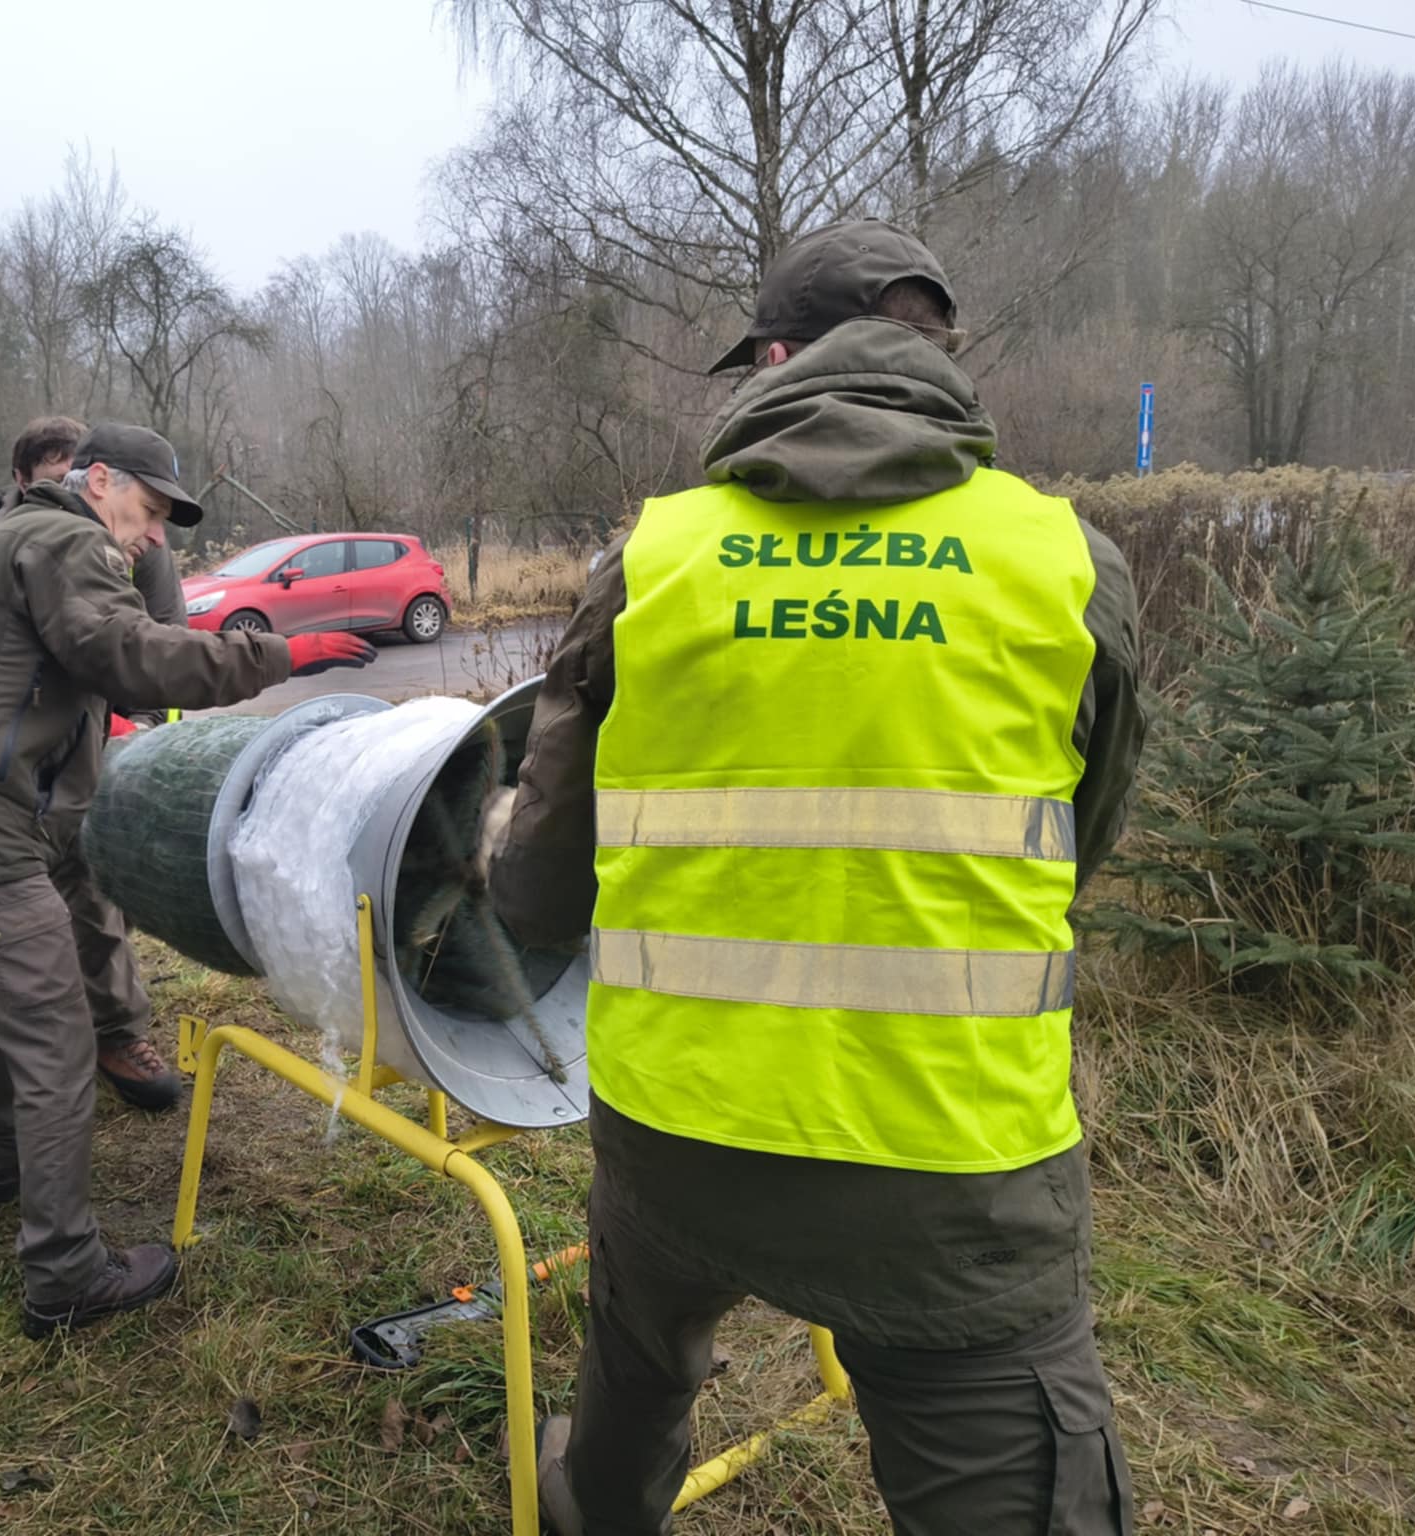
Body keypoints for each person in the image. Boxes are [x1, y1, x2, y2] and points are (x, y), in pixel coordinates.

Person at [485, 220, 1146, 1535]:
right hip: (954, 1177)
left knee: (633, 1370)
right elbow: (1076, 851)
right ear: (931, 353)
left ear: (777, 358)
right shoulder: (1064, 564)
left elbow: (540, 899)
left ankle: (595, 1505)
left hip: (677, 1145)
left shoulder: (653, 563)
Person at [0, 421, 377, 1337]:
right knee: (58, 1040)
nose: (149, 539)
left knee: (0, 995)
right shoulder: (64, 539)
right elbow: (133, 655)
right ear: (97, 482)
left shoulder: (11, 537)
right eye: (144, 513)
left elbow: (104, 684)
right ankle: (64, 1273)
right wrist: (284, 654)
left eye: (164, 525)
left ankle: (0, 1168)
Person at [0, 417, 193, 1114]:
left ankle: (118, 1031)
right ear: (24, 485)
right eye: (51, 486)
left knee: (92, 894)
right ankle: (2, 1058)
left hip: (93, 752)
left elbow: (164, 651)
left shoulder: (140, 543)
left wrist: (138, 732)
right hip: (0, 769)